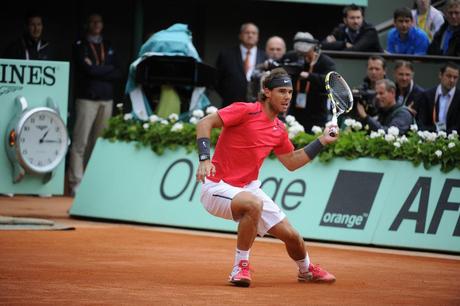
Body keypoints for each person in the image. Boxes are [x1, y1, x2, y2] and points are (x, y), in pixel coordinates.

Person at [195, 68, 337, 287]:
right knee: (253, 204)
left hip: (248, 188)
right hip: (217, 186)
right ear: (266, 92)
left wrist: (322, 141)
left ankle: (306, 269)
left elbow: (291, 161)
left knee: (293, 237)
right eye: (282, 91)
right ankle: (239, 267)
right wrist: (205, 159)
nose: (287, 96)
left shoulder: (279, 129)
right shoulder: (244, 110)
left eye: (290, 92)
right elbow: (204, 123)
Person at [68, 13, 121, 196]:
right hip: (87, 99)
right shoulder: (80, 45)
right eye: (92, 21)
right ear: (87, 24)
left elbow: (118, 71)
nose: (96, 24)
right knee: (80, 141)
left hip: (106, 100)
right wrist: (105, 70)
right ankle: (76, 183)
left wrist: (97, 70)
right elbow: (86, 69)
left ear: (103, 24)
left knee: (99, 144)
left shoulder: (108, 45)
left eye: (99, 21)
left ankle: (91, 183)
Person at [283, 32, 336, 133]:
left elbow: (331, 81)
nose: (303, 55)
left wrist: (309, 76)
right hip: (296, 109)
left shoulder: (325, 61)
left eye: (305, 52)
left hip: (317, 110)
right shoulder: (293, 57)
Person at [216, 22, 266, 107]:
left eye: (253, 33)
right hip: (230, 104)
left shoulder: (265, 57)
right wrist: (228, 95)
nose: (250, 35)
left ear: (257, 37)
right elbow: (217, 80)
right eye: (247, 32)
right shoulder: (226, 55)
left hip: (257, 106)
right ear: (240, 35)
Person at [415, 62, 460, 133]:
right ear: (440, 75)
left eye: (455, 77)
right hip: (429, 138)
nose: (452, 80)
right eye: (449, 76)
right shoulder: (427, 95)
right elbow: (421, 122)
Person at [248, 36, 287, 102]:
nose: (275, 52)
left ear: (284, 50)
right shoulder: (259, 68)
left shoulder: (290, 68)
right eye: (272, 49)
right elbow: (251, 92)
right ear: (266, 50)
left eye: (278, 49)